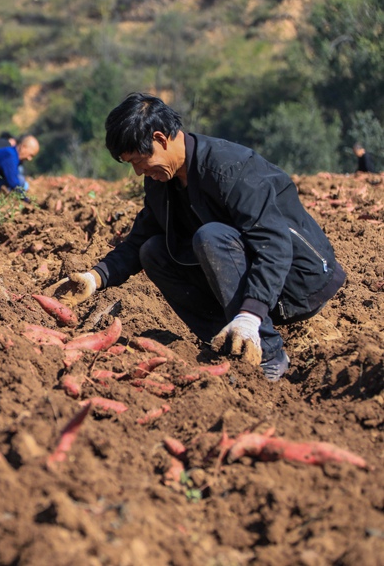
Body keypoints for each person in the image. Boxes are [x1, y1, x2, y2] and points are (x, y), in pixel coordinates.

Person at [54, 93, 346, 382]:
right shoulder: (161, 182)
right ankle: (229, 345)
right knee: (153, 250)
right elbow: (139, 239)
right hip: (256, 286)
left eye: (141, 160)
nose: (139, 171)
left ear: (161, 138)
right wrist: (95, 278)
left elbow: (275, 245)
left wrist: (250, 315)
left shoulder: (229, 168)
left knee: (211, 237)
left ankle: (266, 353)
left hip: (298, 281)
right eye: (131, 164)